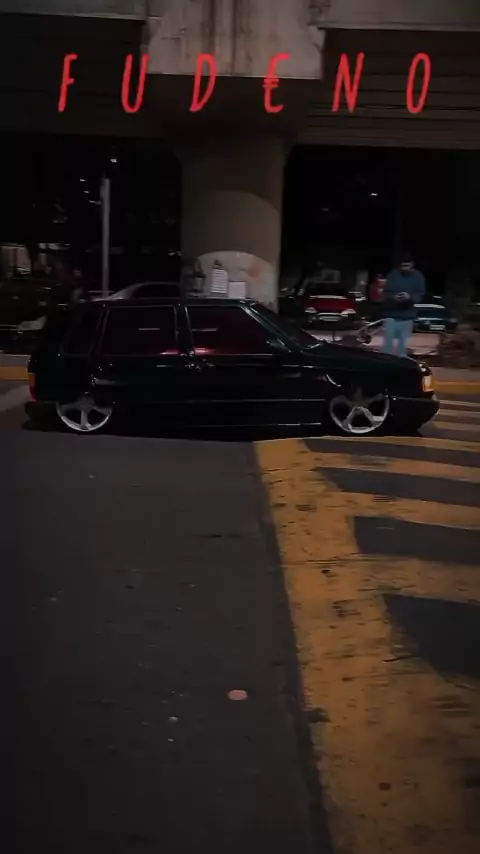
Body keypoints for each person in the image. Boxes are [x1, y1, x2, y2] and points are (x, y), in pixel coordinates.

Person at [381, 252, 425, 357]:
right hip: (391, 315)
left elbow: (420, 294)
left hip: (407, 316)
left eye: (407, 265)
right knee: (387, 345)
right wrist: (393, 297)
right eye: (402, 266)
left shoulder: (418, 277)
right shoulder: (392, 275)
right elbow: (386, 293)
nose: (404, 268)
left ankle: (401, 362)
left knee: (402, 346)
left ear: (412, 264)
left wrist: (410, 297)